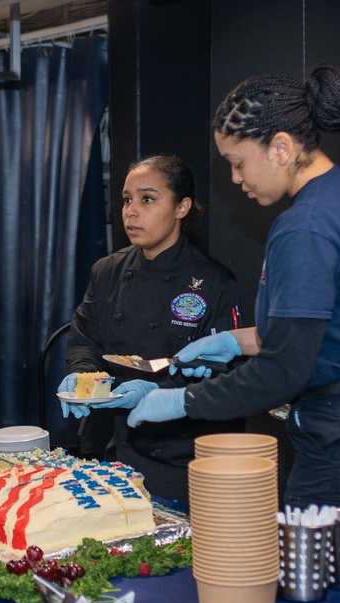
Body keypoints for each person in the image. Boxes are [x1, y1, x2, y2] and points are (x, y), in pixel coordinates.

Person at [128, 66, 340, 513]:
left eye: (237, 162)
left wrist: (180, 400)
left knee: (321, 583)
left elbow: (282, 372)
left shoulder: (304, 226)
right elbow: (321, 326)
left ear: (281, 147)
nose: (235, 178)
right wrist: (232, 340)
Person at [58, 155, 244, 501]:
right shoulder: (107, 271)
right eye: (127, 199)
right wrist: (82, 377)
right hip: (116, 447)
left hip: (184, 454)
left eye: (147, 199)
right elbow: (84, 339)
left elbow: (225, 373)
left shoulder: (213, 282)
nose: (131, 211)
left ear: (181, 207)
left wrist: (159, 390)